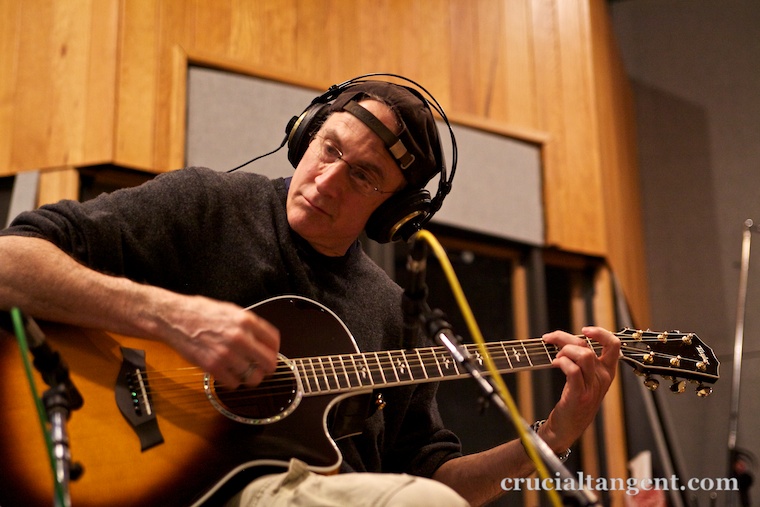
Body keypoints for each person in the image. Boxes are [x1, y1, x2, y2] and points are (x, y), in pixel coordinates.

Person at [0, 76, 620, 506]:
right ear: (305, 135)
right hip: (132, 469)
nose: (326, 181)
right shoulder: (206, 205)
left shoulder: (393, 315)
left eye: (363, 176)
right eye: (328, 150)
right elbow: (11, 262)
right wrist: (167, 313)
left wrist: (554, 435)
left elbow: (433, 481)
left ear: (392, 214)